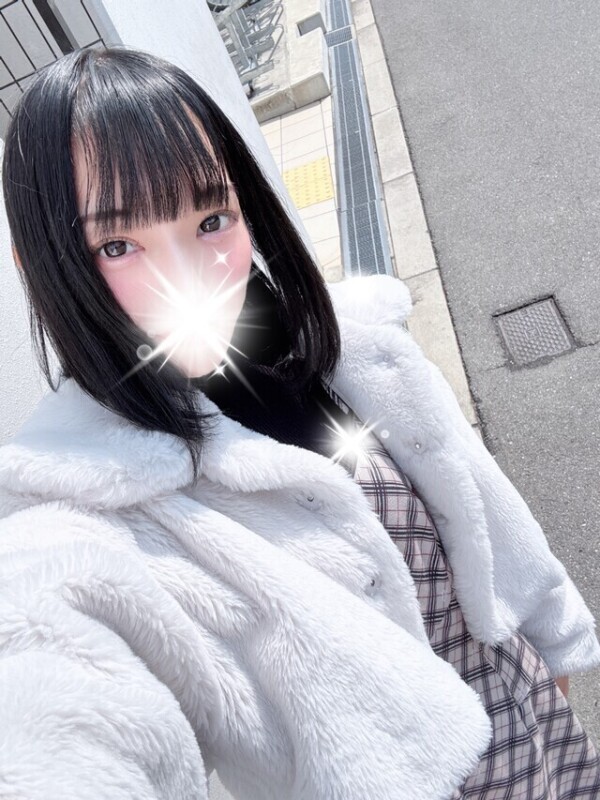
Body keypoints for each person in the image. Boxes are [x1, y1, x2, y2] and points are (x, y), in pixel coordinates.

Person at [0, 46, 598, 800]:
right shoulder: (91, 505)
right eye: (118, 245)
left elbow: (483, 501)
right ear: (41, 264)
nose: (188, 276)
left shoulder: (351, 346)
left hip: (534, 728)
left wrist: (553, 645)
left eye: (211, 218)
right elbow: (49, 674)